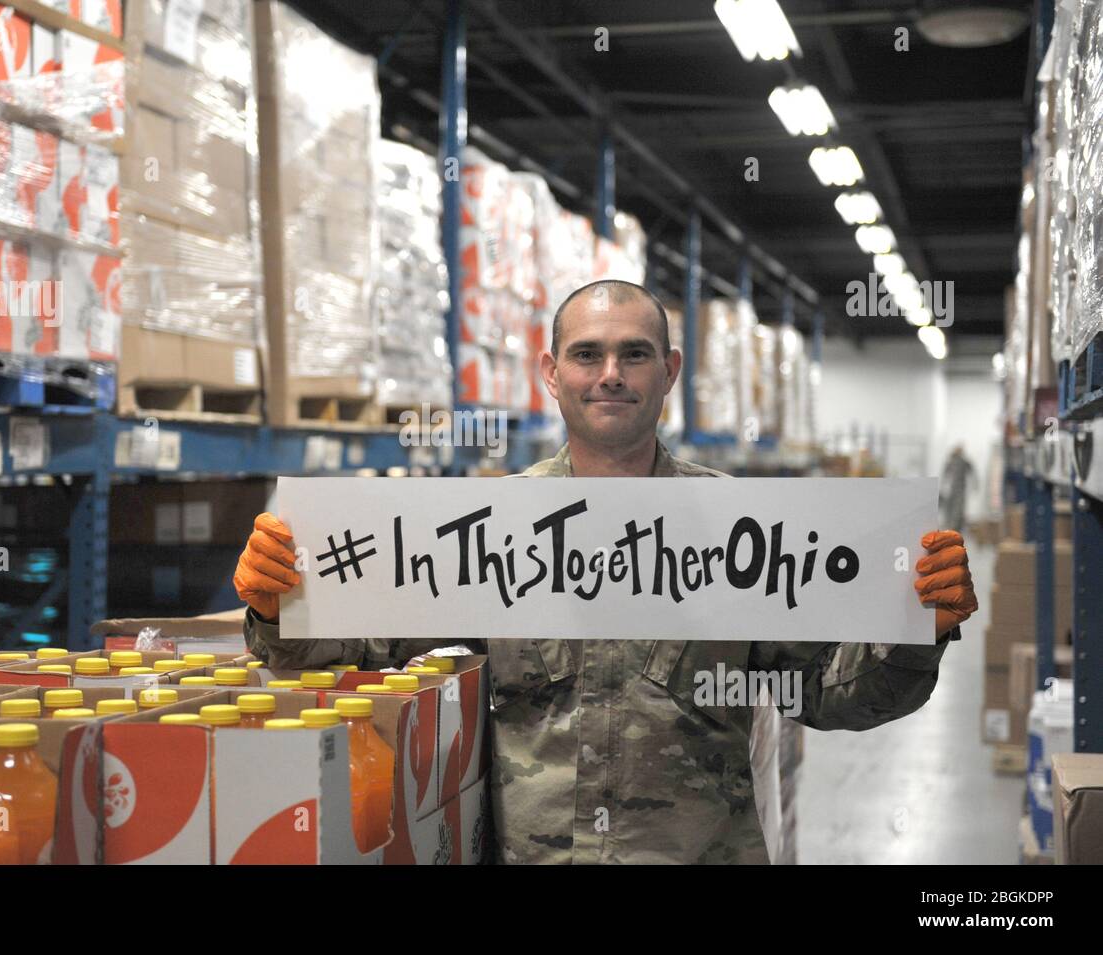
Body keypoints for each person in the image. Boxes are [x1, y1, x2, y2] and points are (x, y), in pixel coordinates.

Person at [233, 279, 978, 864]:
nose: (611, 374)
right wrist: (280, 603)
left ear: (670, 371)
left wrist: (919, 627)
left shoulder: (744, 534)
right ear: (552, 375)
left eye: (635, 354)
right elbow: (364, 650)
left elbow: (828, 691)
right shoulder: (489, 532)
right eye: (587, 354)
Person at [940, 444, 978, 533]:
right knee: (953, 508)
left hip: (959, 488)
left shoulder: (963, 461)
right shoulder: (952, 461)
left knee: (958, 508)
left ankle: (955, 526)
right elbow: (945, 474)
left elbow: (972, 472)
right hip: (953, 488)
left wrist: (975, 484)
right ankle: (952, 526)